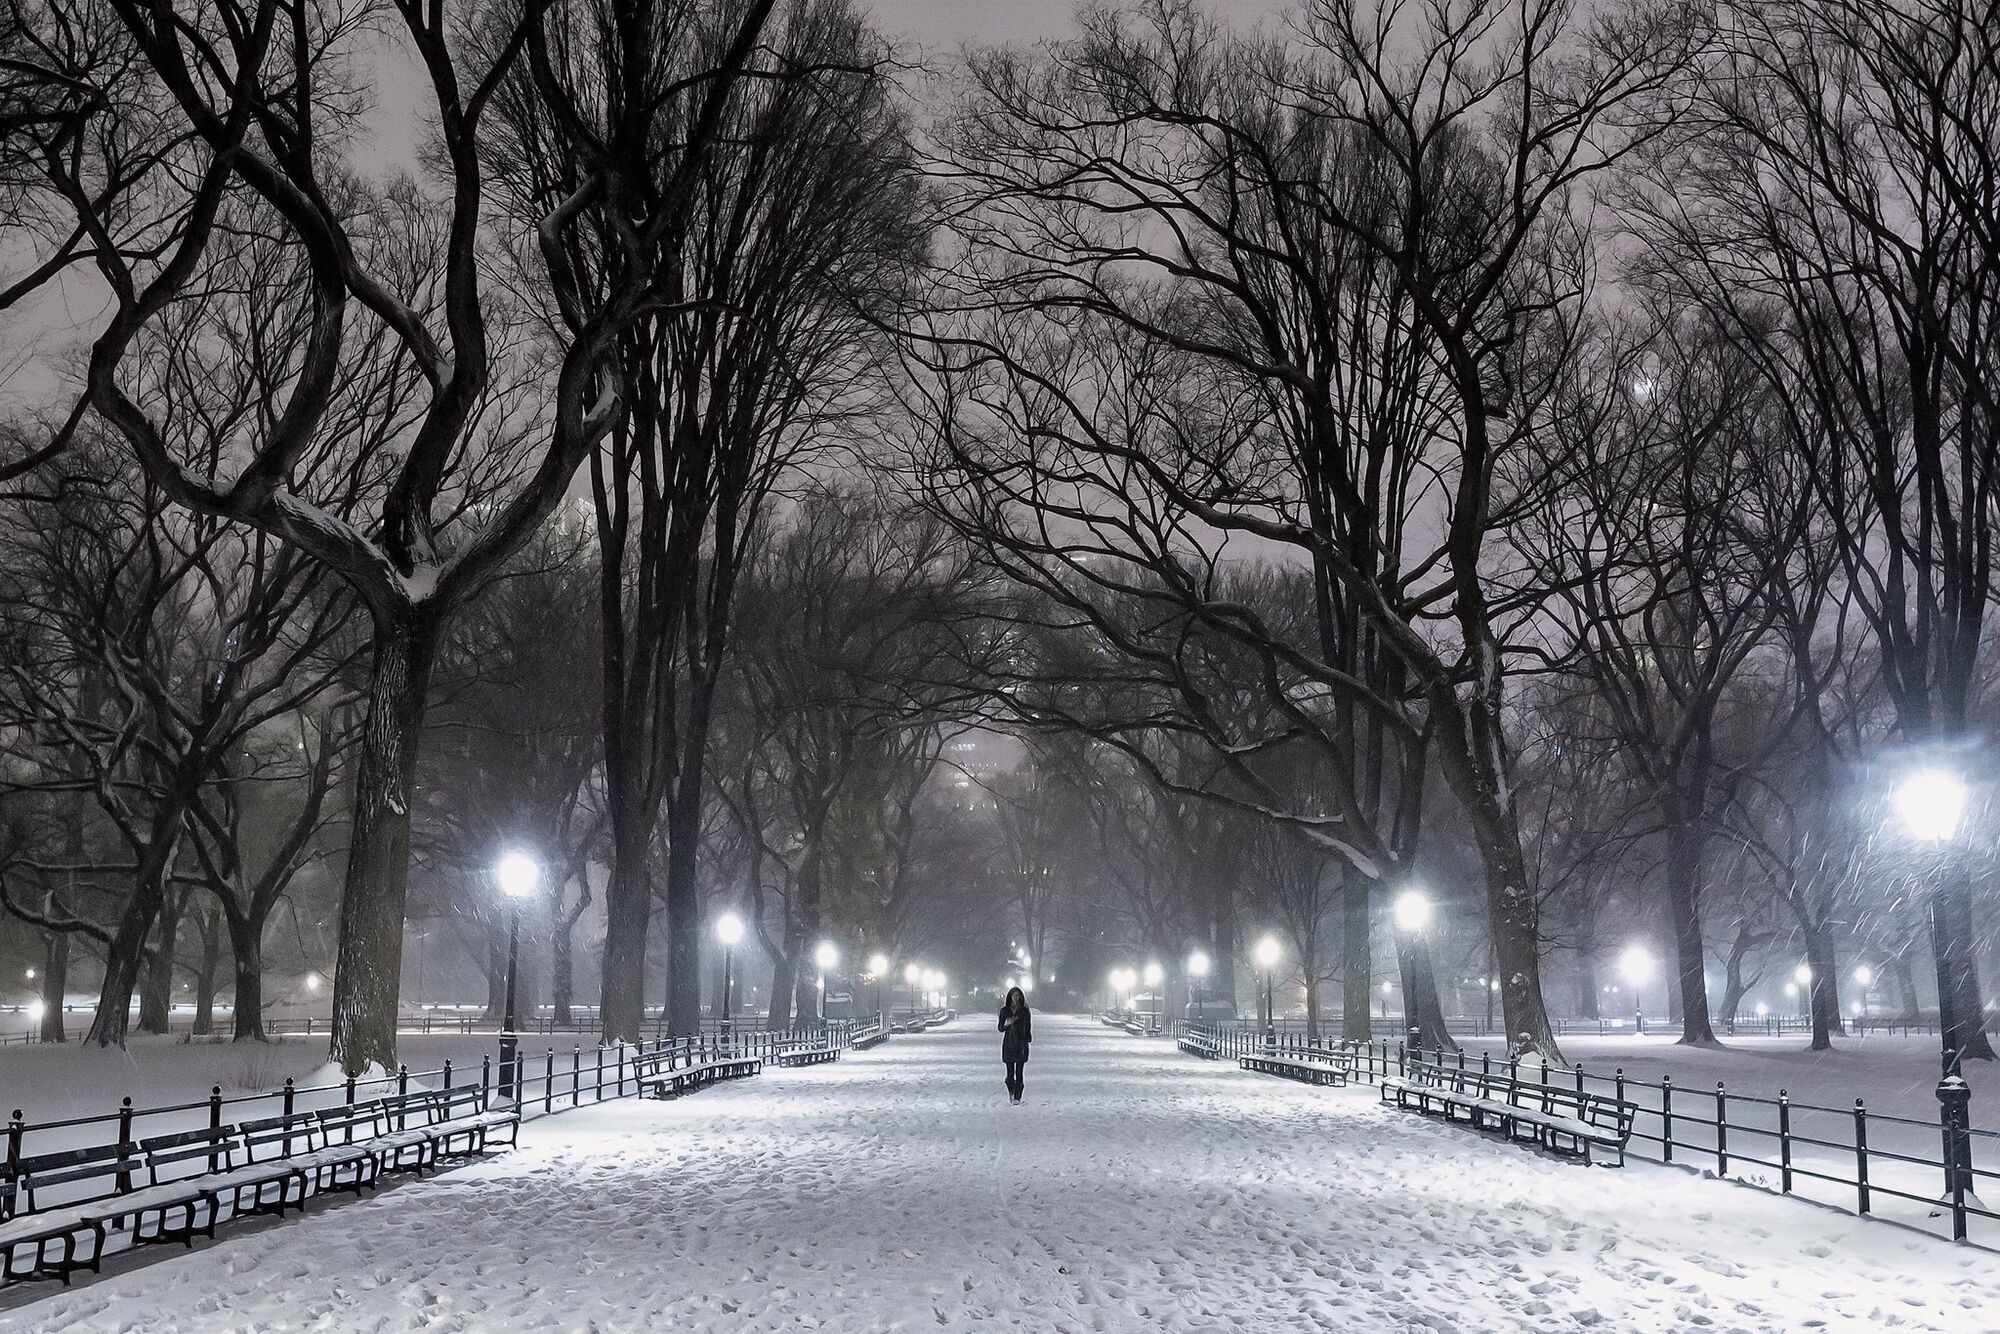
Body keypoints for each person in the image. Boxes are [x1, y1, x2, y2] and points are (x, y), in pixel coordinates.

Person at [998, 986, 1032, 1104]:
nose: (1016, 998)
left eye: (1018, 995)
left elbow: (1028, 1027)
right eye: (1014, 995)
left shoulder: (1024, 1011)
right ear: (1010, 997)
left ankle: (1018, 1096)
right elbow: (1000, 1028)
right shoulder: (1004, 1011)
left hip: (1021, 1044)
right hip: (1009, 1044)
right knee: (1010, 1074)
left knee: (1019, 1072)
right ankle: (1011, 1091)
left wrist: (1026, 1041)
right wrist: (1006, 1024)